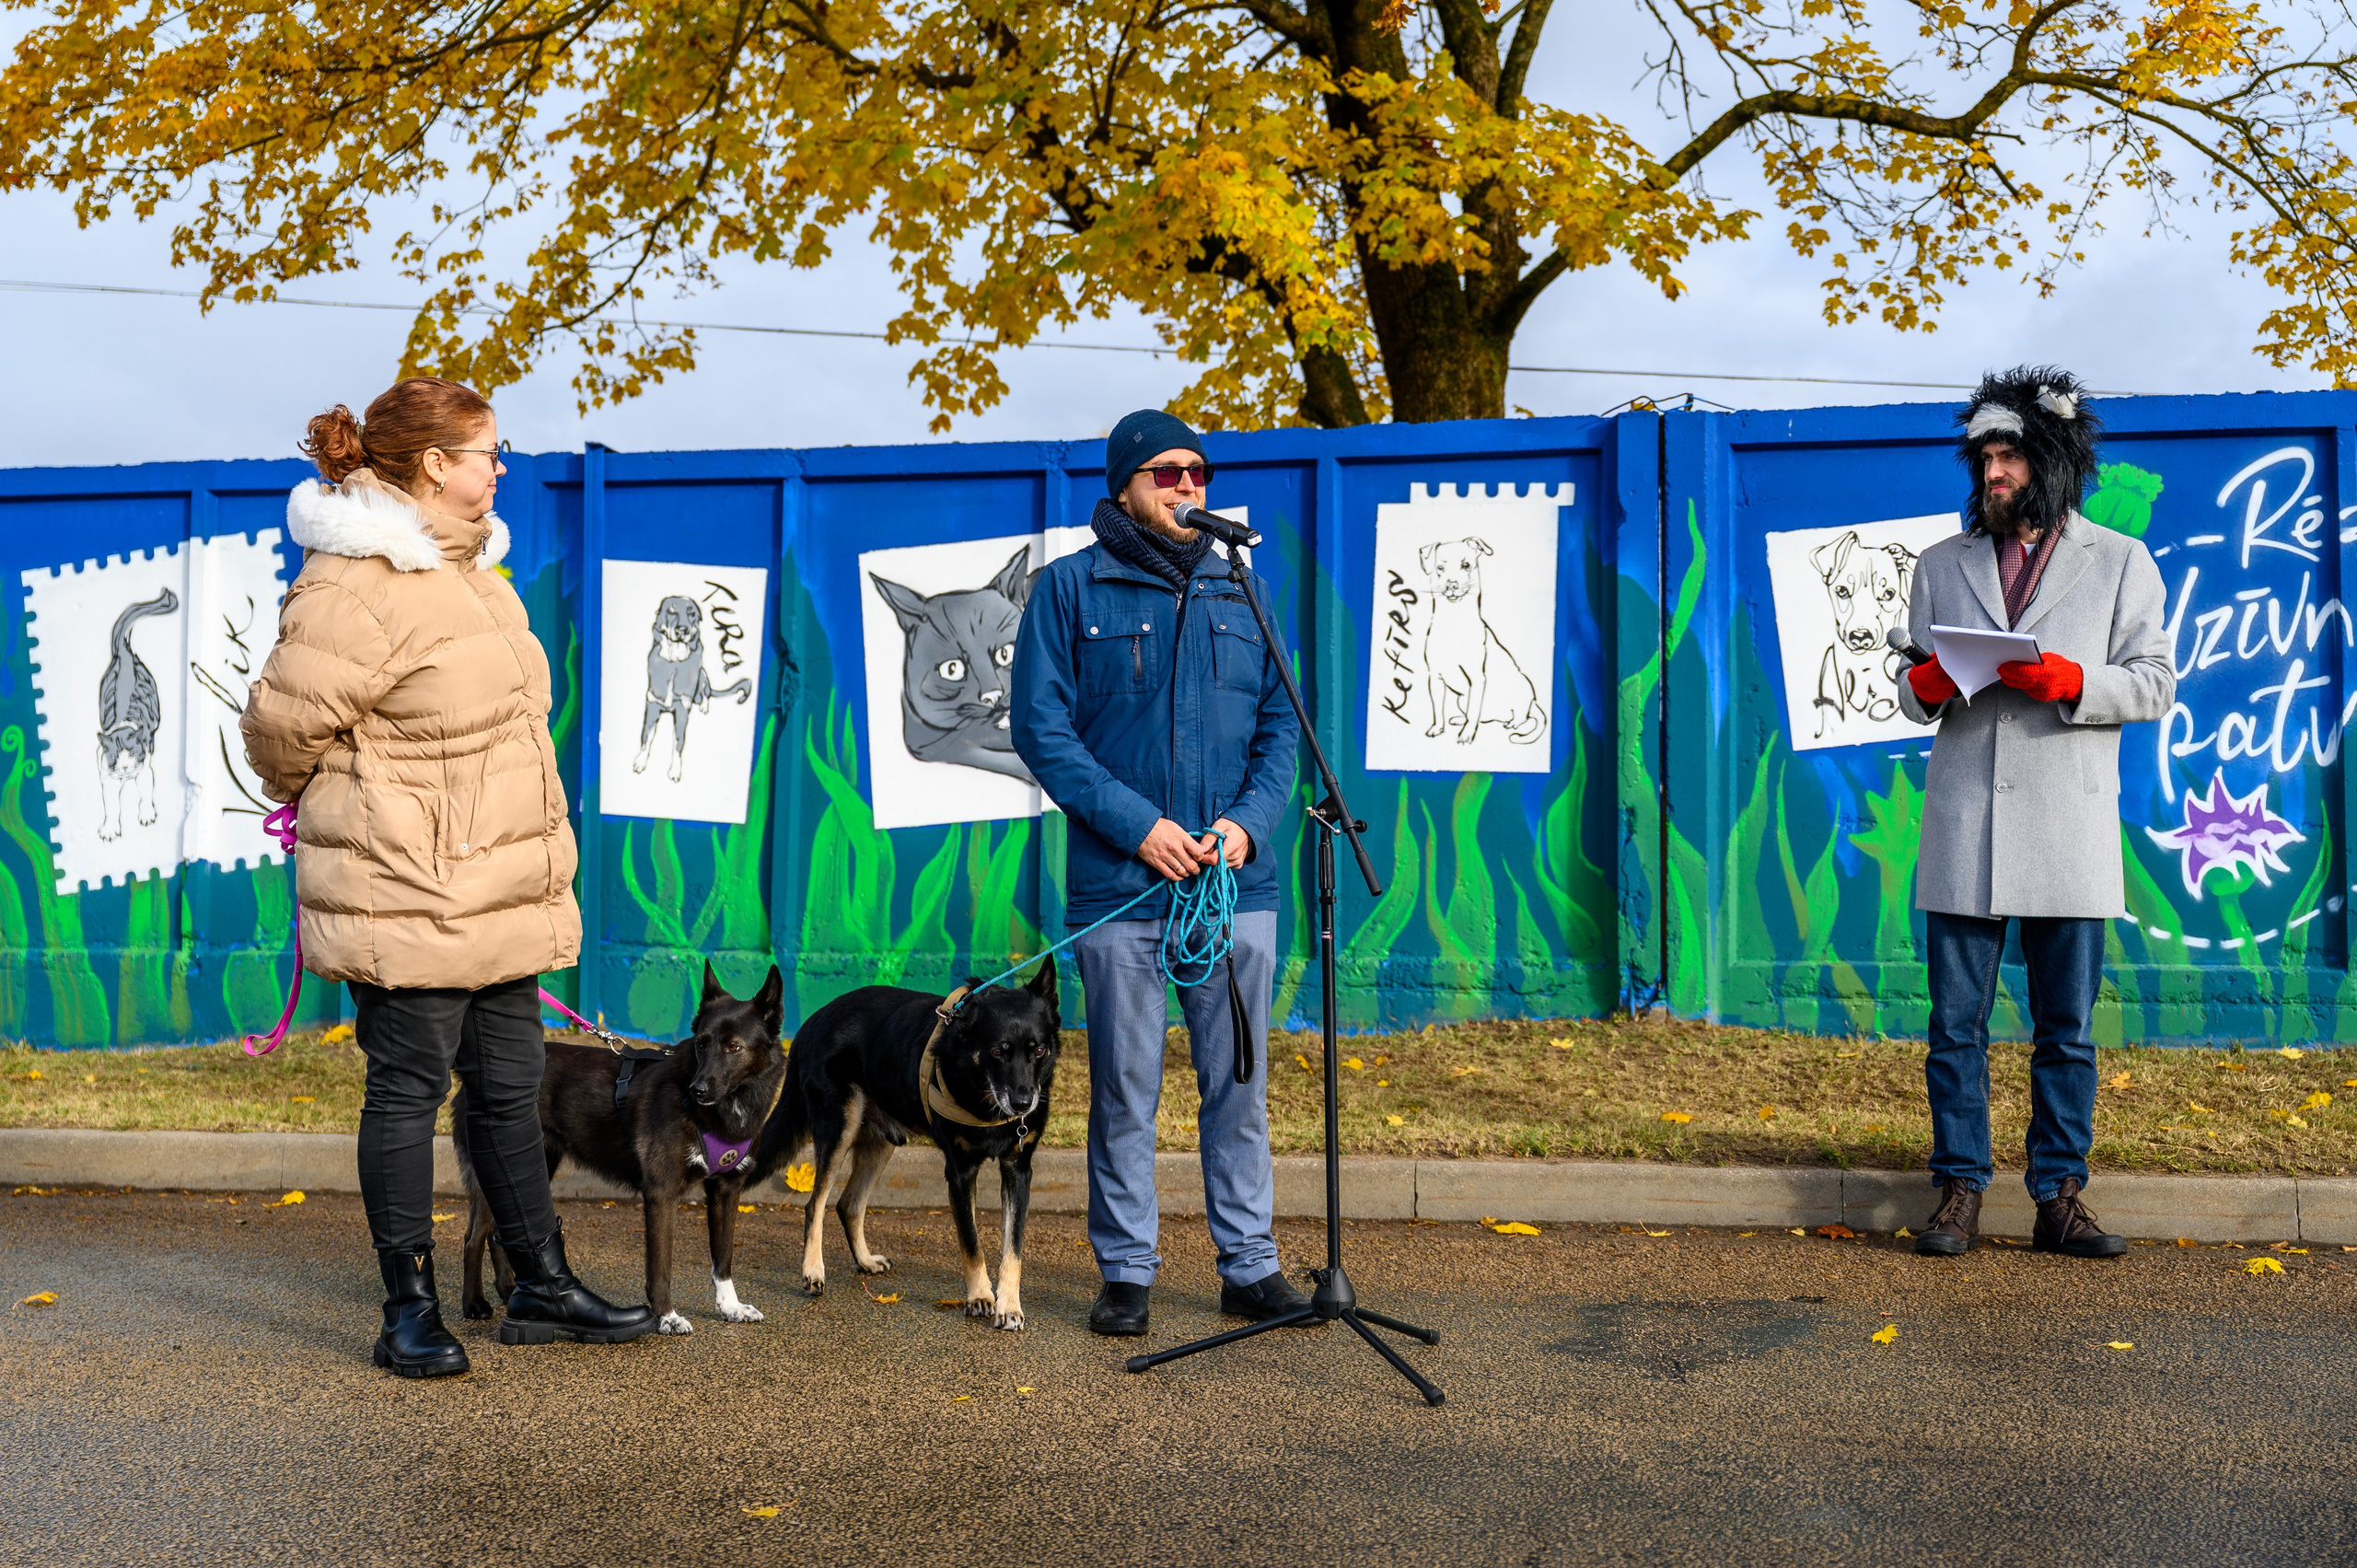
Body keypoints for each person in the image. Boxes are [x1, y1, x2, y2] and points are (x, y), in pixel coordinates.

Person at [242, 377, 655, 1376]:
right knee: (408, 1088)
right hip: (409, 889)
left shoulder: (476, 574)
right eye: (488, 451)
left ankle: (540, 1285)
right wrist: (377, 807)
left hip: (499, 891)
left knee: (510, 1091)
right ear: (434, 464)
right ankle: (407, 1307)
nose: (501, 467)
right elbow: (278, 729)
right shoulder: (354, 582)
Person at [1010, 409, 1304, 1337]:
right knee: (1124, 1086)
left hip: (1232, 890)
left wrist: (1247, 829)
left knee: (1238, 1083)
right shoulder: (1067, 590)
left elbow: (1283, 727)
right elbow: (1040, 731)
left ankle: (1248, 1265)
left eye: (1199, 473)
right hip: (1121, 886)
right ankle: (1127, 1271)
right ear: (1125, 485)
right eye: (1167, 473)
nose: (1188, 488)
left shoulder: (1242, 591)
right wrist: (1140, 829)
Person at [1895, 366, 2174, 1260]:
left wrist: (2075, 682)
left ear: (2049, 458)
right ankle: (1958, 1192)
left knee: (2066, 1030)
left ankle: (2059, 1195)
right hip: (1964, 823)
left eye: (2008, 453)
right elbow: (1910, 688)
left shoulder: (2121, 560)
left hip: (2067, 828)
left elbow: (2155, 682)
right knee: (1954, 1026)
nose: (1992, 471)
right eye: (1982, 455)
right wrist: (1926, 684)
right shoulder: (1940, 563)